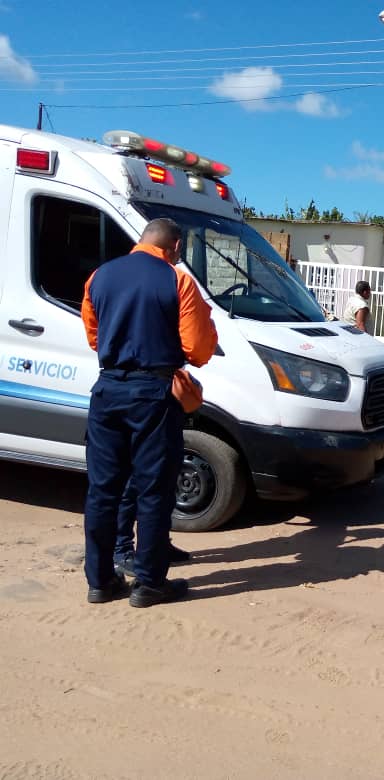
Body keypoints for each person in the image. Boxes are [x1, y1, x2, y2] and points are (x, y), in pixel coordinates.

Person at [81, 218, 218, 607]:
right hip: (154, 395)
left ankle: (100, 581)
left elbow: (94, 336)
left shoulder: (100, 276)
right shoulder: (177, 280)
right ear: (174, 246)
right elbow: (198, 349)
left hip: (107, 392)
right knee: (154, 491)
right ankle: (149, 583)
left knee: (103, 491)